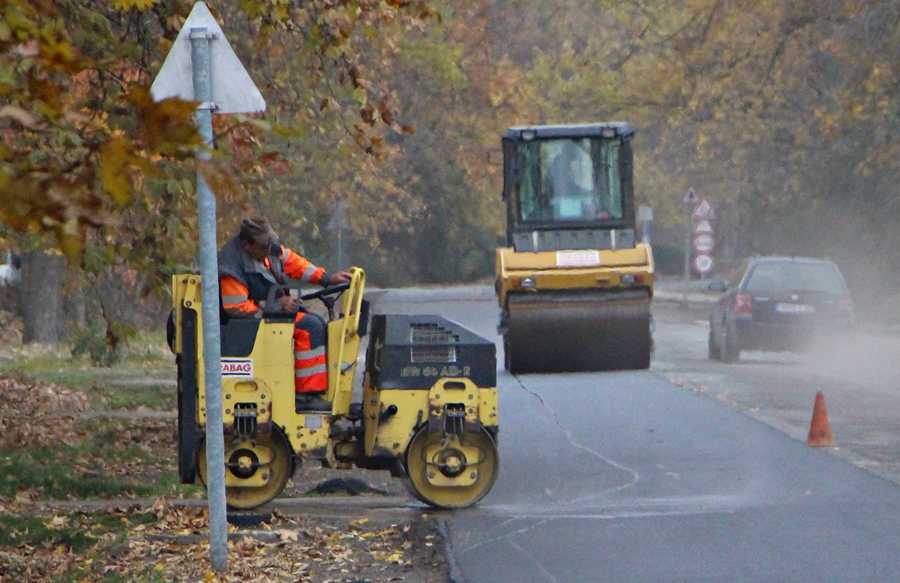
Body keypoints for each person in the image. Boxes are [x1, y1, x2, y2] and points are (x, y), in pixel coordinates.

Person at [218, 216, 351, 412]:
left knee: (314, 321)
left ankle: (307, 388)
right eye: (263, 246)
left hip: (265, 316)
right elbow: (236, 309)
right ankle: (306, 397)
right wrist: (276, 306)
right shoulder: (231, 267)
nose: (268, 250)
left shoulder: (266, 249)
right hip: (247, 326)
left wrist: (327, 278)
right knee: (310, 327)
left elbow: (295, 264)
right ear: (247, 244)